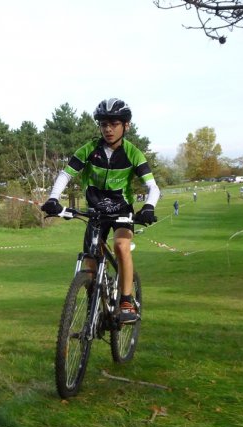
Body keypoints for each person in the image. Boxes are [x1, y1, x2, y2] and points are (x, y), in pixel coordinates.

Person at [41, 98, 160, 324]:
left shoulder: (133, 153)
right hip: (95, 212)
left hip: (121, 211)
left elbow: (152, 187)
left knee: (121, 245)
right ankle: (95, 303)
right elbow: (66, 174)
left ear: (126, 126)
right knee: (91, 262)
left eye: (114, 123)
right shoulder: (89, 150)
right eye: (103, 124)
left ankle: (126, 300)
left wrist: (148, 207)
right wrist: (53, 199)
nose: (108, 129)